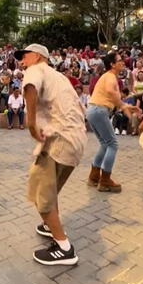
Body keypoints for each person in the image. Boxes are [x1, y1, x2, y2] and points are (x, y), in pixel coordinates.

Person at [15, 44, 86, 266]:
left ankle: (65, 248)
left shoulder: (36, 69)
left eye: (24, 56)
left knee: (41, 196)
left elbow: (30, 87)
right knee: (50, 189)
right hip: (76, 141)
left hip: (58, 142)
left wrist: (31, 122)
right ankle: (50, 226)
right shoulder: (60, 77)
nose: (22, 61)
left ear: (37, 56)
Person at [86, 52, 140, 193]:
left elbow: (112, 98)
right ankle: (105, 181)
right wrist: (123, 106)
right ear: (112, 64)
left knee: (105, 144)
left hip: (93, 110)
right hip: (99, 110)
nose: (123, 62)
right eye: (119, 60)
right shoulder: (110, 76)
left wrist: (127, 106)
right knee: (113, 144)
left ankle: (94, 177)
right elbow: (110, 92)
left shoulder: (108, 76)